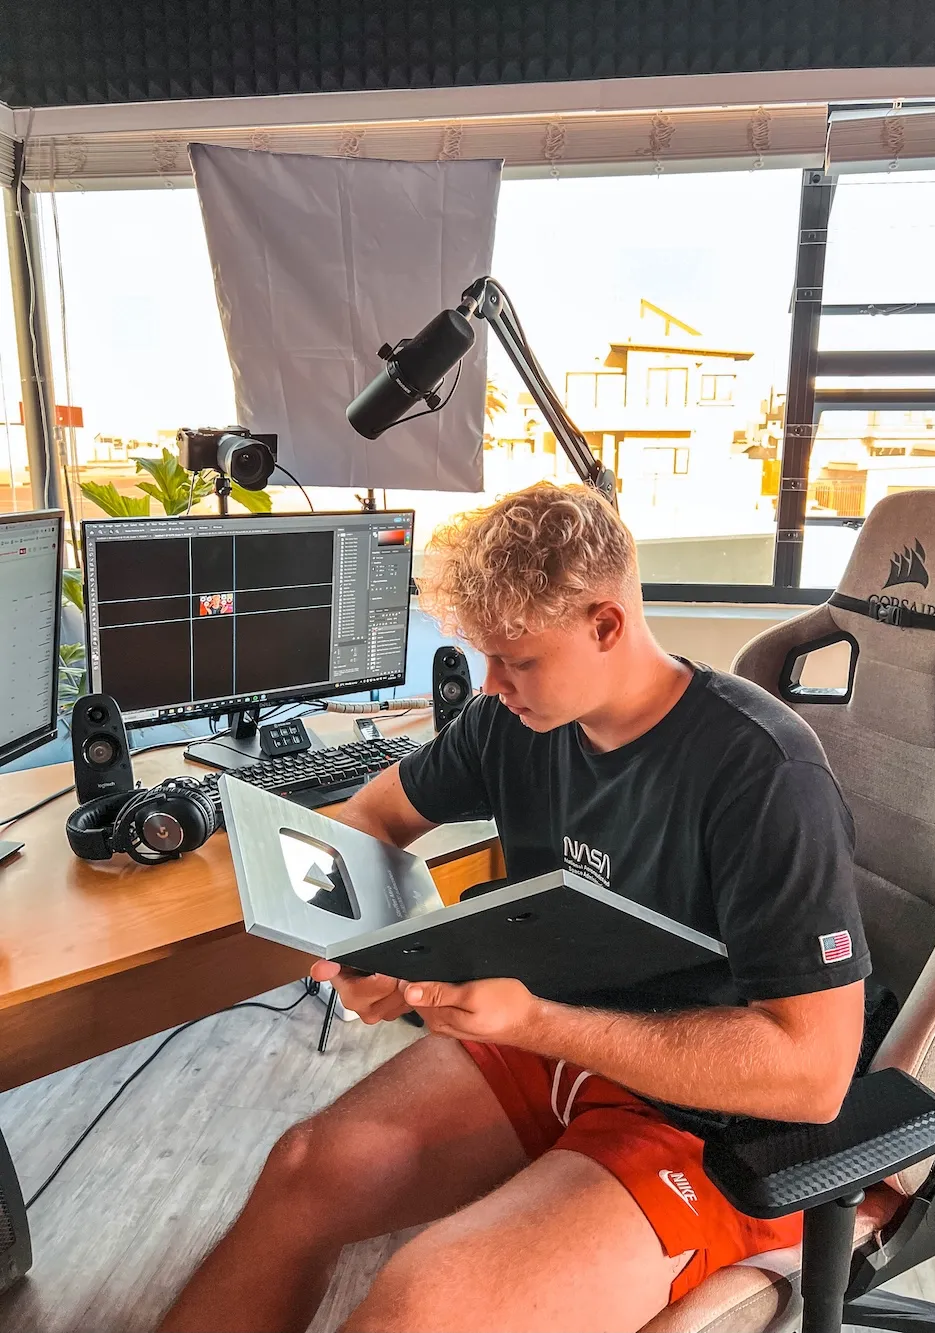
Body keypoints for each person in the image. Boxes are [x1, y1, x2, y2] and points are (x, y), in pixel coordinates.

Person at [159, 482, 869, 1333]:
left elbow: (812, 1074)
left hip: (707, 1117)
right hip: (546, 1035)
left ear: (606, 624)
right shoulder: (509, 722)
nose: (492, 684)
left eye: (517, 661)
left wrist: (536, 1021)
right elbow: (370, 818)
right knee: (304, 1170)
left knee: (421, 1307)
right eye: (485, 657)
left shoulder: (766, 773)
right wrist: (370, 946)